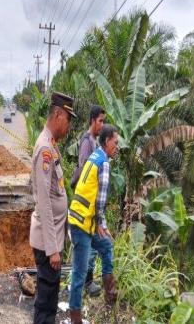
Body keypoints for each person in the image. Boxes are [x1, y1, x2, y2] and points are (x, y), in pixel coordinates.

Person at [30, 91, 76, 324]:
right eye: (68, 120)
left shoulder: (51, 145)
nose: (68, 127)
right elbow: (44, 203)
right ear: (58, 115)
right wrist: (52, 249)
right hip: (49, 244)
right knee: (46, 304)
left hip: (53, 240)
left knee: (49, 299)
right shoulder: (45, 150)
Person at [68, 125, 119, 324]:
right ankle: (75, 319)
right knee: (79, 274)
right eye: (115, 143)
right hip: (83, 224)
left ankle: (110, 294)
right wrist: (100, 222)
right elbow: (101, 199)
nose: (117, 147)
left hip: (84, 221)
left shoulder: (95, 156)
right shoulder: (104, 162)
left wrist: (99, 223)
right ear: (107, 141)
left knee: (106, 245)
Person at [70, 105, 106, 297]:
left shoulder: (94, 142)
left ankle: (85, 281)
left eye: (104, 121)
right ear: (92, 121)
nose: (102, 124)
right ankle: (86, 282)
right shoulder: (87, 142)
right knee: (88, 245)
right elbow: (85, 172)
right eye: (100, 121)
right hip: (85, 204)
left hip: (89, 203)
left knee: (89, 244)